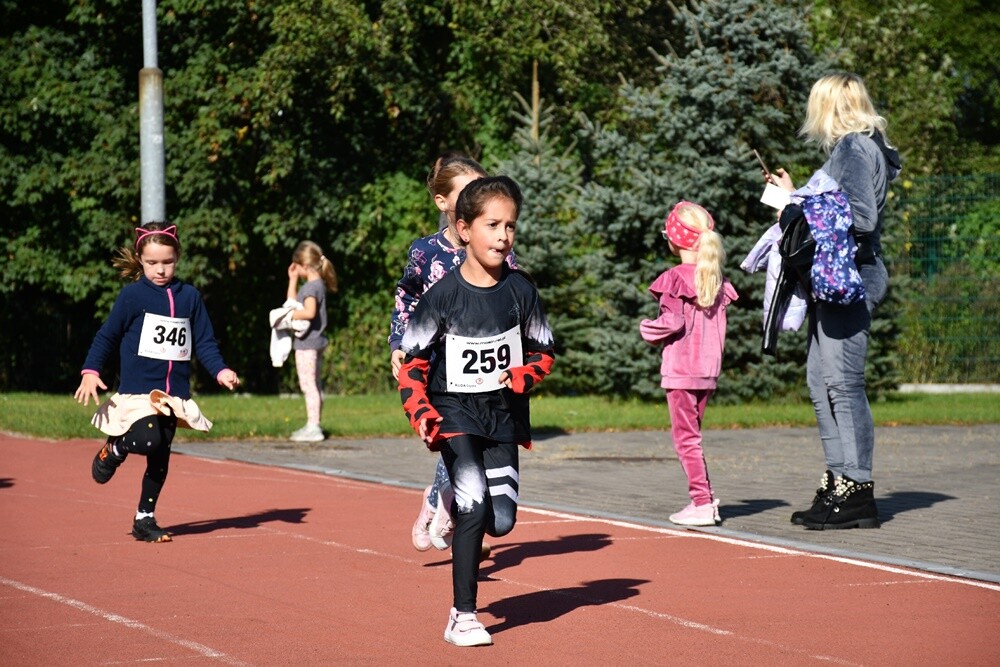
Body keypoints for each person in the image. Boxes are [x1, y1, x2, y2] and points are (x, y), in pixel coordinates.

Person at [397, 176, 554, 646]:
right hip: (453, 411)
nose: (504, 235)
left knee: (500, 521)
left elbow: (544, 350)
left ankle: (442, 498)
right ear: (464, 230)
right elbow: (413, 366)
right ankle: (462, 616)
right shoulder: (441, 297)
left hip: (502, 416)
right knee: (473, 503)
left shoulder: (521, 292)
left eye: (511, 226)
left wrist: (525, 375)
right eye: (493, 225)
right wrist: (422, 413)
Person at [770, 73, 901, 530]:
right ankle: (839, 480)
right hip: (838, 279)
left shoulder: (852, 147)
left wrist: (793, 208)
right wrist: (794, 194)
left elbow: (859, 218)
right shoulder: (868, 146)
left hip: (848, 279)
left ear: (828, 106)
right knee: (821, 382)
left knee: (842, 384)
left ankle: (857, 488)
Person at [74, 221, 240, 543]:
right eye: (152, 263)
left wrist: (220, 370)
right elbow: (107, 335)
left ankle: (144, 519)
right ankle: (115, 447)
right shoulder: (133, 296)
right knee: (149, 439)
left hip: (173, 394)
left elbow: (204, 342)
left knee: (161, 454)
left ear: (177, 258)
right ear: (140, 260)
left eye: (167, 262)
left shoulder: (190, 296)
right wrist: (91, 370)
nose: (160, 270)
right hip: (138, 393)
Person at [389, 153, 518, 554]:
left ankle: (444, 501)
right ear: (444, 203)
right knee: (455, 436)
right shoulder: (425, 252)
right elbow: (407, 296)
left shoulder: (498, 248)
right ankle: (450, 503)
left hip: (483, 367)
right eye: (466, 193)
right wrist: (399, 343)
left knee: (473, 441)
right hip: (437, 363)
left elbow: (512, 297)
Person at [640, 202, 738, 527]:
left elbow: (672, 322)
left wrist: (646, 328)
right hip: (708, 371)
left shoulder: (675, 278)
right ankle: (703, 498)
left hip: (681, 371)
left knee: (686, 439)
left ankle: (702, 502)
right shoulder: (715, 279)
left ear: (674, 240)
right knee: (693, 436)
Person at [285, 240, 339, 443]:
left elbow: (308, 312)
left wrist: (289, 317)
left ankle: (313, 426)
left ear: (304, 266)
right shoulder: (317, 285)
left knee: (309, 385)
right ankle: (312, 423)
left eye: (296, 266)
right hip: (316, 342)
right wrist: (292, 280)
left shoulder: (310, 288)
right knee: (314, 384)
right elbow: (292, 303)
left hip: (307, 344)